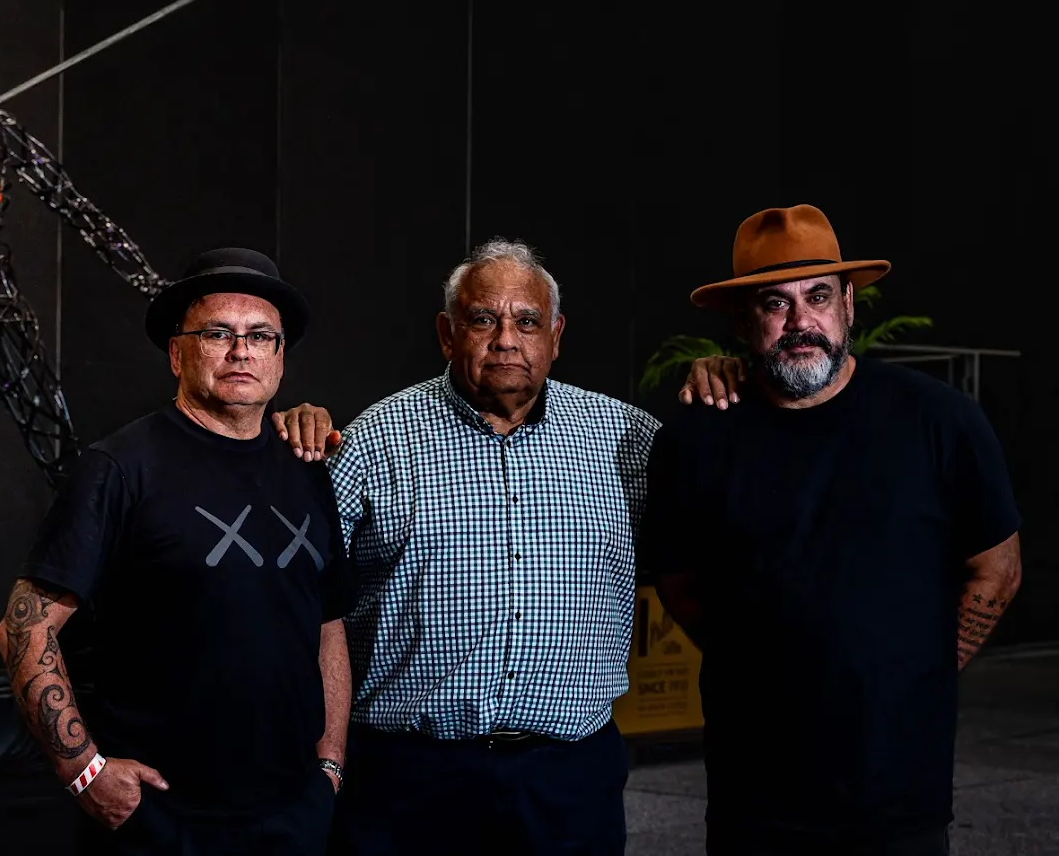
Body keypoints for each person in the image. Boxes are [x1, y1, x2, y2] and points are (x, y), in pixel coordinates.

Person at [640, 204, 1023, 856]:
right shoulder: (698, 438)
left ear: (849, 302)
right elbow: (679, 582)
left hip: (897, 790)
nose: (800, 323)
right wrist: (762, 660)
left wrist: (921, 667)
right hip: (754, 793)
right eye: (774, 304)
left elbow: (998, 567)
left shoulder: (940, 421)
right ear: (743, 321)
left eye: (818, 296)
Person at [271, 237, 662, 855]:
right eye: (483, 318)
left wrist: (719, 382)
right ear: (447, 333)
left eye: (527, 321)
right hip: (408, 778)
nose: (507, 338)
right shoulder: (373, 442)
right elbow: (305, 610)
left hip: (569, 780)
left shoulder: (630, 441)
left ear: (556, 335)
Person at [0, 247, 355, 856]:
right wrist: (84, 770)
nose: (241, 351)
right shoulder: (120, 467)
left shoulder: (307, 468)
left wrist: (330, 765)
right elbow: (23, 630)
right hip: (164, 816)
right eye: (218, 332)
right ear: (176, 352)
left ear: (279, 356)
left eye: (260, 336)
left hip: (293, 812)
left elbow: (326, 625)